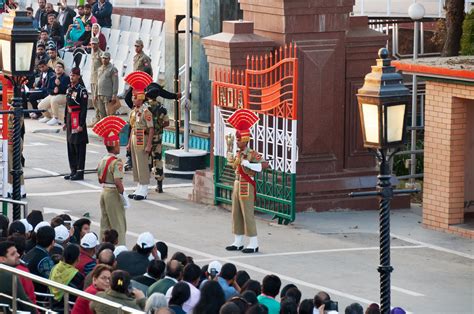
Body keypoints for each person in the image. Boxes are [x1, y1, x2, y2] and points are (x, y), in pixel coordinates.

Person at [225, 109, 269, 253]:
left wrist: (249, 164)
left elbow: (264, 164)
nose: (236, 142)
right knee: (236, 212)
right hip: (237, 183)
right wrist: (230, 157)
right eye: (236, 139)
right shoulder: (238, 153)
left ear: (244, 139)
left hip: (246, 184)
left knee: (247, 213)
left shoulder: (251, 154)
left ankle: (253, 242)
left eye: (238, 139)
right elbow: (232, 165)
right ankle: (238, 241)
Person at [93, 116, 128, 244]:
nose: (120, 147)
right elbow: (118, 181)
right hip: (113, 193)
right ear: (114, 146)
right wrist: (123, 194)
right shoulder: (116, 161)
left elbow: (99, 178)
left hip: (104, 191)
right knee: (118, 223)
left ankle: (103, 246)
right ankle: (120, 247)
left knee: (105, 223)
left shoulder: (103, 159)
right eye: (118, 144)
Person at [125, 71, 155, 200]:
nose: (133, 99)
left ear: (141, 98)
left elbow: (151, 128)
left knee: (142, 162)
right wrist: (128, 143)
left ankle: (144, 188)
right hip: (134, 136)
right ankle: (139, 185)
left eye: (135, 97)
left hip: (142, 136)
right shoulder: (133, 112)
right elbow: (132, 126)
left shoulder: (146, 112)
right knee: (136, 164)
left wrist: (149, 144)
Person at [144, 83, 179, 193]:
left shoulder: (145, 108)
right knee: (158, 160)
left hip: (146, 137)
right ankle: (159, 185)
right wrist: (158, 127)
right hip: (158, 137)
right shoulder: (162, 108)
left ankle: (144, 185)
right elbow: (167, 123)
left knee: (146, 160)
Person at [62, 67, 89, 181]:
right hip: (70, 119)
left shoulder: (82, 91)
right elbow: (66, 106)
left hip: (77, 119)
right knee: (71, 145)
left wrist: (81, 125)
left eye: (74, 75)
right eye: (71, 75)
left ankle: (79, 171)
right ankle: (73, 170)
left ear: (78, 76)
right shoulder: (69, 89)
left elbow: (84, 109)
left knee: (79, 146)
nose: (71, 77)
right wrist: (64, 121)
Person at [0, 241, 36, 312]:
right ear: (2, 259)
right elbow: (24, 301)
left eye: (16, 252)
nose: (18, 255)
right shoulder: (10, 276)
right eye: (13, 254)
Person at [22, 225, 55, 293]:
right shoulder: (45, 260)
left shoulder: (30, 252)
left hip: (25, 290)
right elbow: (53, 280)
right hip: (39, 296)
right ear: (53, 242)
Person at [38, 61, 69, 126]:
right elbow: (48, 89)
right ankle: (47, 117)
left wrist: (59, 85)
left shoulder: (66, 77)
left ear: (63, 69)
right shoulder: (52, 77)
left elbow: (66, 89)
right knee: (40, 106)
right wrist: (53, 91)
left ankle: (56, 118)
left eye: (60, 67)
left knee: (54, 100)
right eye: (56, 67)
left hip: (63, 95)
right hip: (53, 95)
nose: (58, 68)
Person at [96, 51, 119, 119]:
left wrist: (114, 95)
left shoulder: (113, 69)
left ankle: (111, 129)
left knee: (109, 114)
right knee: (102, 114)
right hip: (100, 94)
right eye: (103, 58)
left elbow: (115, 82)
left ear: (109, 59)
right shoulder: (99, 69)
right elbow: (98, 81)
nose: (104, 60)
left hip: (108, 95)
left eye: (106, 58)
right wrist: (96, 93)